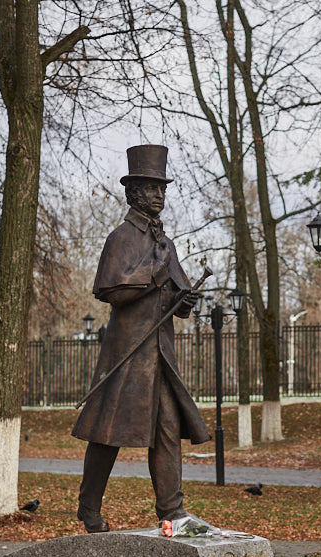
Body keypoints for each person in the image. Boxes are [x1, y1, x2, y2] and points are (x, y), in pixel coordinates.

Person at [71, 145, 211, 532]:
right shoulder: (121, 239)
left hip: (160, 355)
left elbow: (176, 301)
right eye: (151, 189)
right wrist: (154, 271)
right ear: (133, 192)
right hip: (128, 351)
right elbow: (111, 291)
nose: (158, 196)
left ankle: (172, 511)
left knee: (167, 429)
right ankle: (89, 507)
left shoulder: (165, 243)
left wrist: (185, 300)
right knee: (107, 433)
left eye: (162, 189)